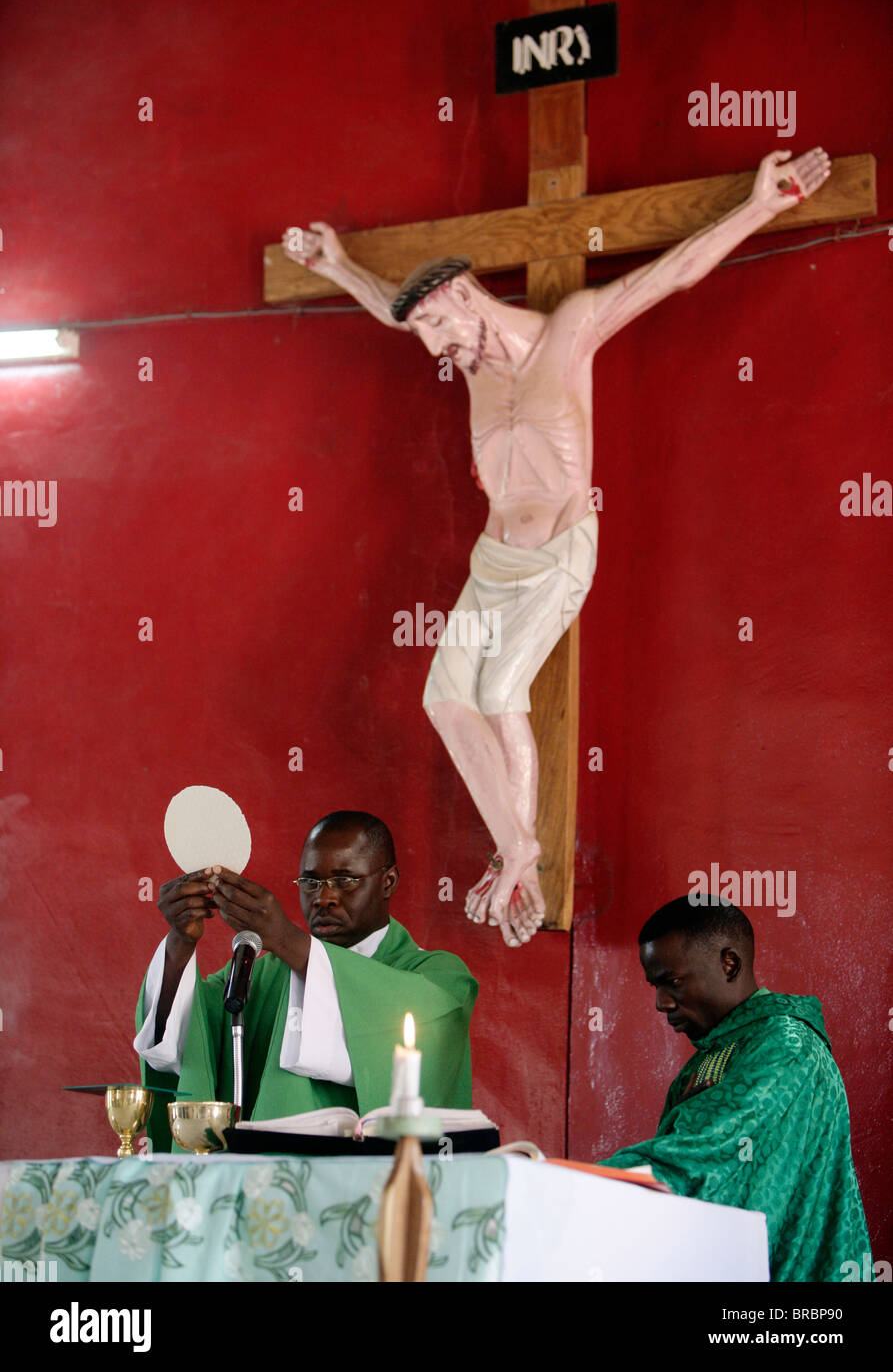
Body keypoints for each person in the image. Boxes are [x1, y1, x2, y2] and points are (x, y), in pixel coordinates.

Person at [284, 148, 832, 948]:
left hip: (555, 557)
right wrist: (337, 264)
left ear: (458, 295)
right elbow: (388, 310)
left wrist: (759, 207)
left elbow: (665, 277)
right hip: (491, 561)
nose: (435, 348)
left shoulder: (566, 333)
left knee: (502, 690)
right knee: (444, 698)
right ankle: (519, 848)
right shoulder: (469, 362)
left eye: (436, 324)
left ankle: (518, 854)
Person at [134, 810, 478, 1153]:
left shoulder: (439, 976)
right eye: (310, 882)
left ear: (387, 882)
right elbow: (190, 1039)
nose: (324, 898)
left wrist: (285, 938)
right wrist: (181, 940)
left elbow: (419, 1040)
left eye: (344, 881)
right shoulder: (266, 972)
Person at [596, 895, 872, 1282]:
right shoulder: (718, 1051)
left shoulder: (786, 1045)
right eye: (654, 986)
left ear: (730, 963)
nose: (660, 1003)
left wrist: (571, 1184)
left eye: (671, 982)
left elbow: (706, 1155)